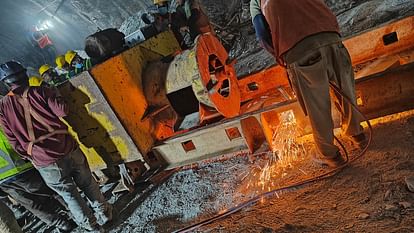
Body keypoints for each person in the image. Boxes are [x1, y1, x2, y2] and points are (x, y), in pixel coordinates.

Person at [251, 0, 366, 167]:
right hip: (331, 37)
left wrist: (280, 55)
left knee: (317, 105)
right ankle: (357, 134)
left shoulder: (256, 2)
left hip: (298, 49)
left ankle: (329, 155)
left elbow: (262, 33)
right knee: (345, 89)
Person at [0, 61, 113, 232]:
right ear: (25, 75)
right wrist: (56, 93)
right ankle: (104, 214)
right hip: (67, 147)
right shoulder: (41, 91)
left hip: (44, 160)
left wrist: (31, 154)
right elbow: (62, 111)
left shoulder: (2, 107)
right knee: (88, 183)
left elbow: (12, 140)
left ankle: (92, 226)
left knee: (69, 195)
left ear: (6, 82)